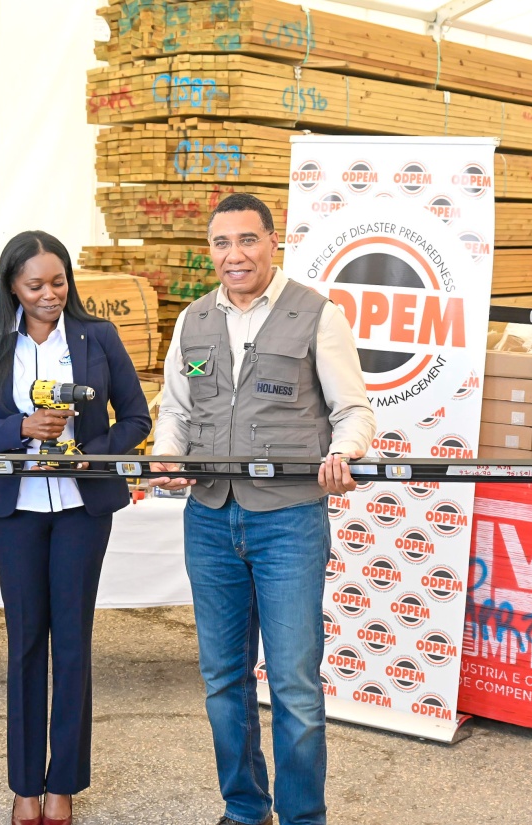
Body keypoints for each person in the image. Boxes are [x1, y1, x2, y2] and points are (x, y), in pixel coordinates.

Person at [150, 194, 375, 825]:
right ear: (211, 252)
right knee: (223, 681)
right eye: (222, 244)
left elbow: (352, 409)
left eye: (246, 240)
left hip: (289, 522)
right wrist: (168, 453)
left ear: (273, 242)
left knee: (295, 686)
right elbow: (176, 409)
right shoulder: (192, 321)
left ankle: (303, 817)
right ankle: (245, 810)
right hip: (210, 516)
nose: (234, 255)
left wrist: (344, 450)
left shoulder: (316, 315)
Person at [0, 230, 151, 825]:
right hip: (14, 510)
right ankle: (24, 786)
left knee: (71, 643)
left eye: (59, 282)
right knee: (24, 644)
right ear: (11, 285)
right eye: (35, 284)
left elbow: (136, 417)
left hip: (80, 510)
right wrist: (21, 428)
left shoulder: (98, 337)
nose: (49, 295)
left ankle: (63, 783)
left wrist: (93, 451)